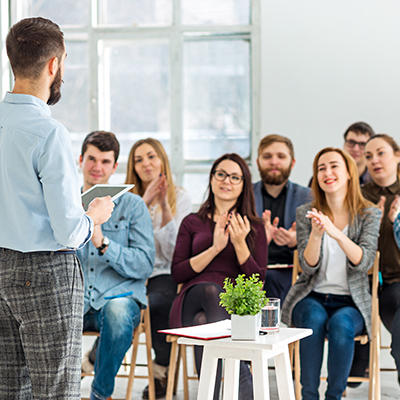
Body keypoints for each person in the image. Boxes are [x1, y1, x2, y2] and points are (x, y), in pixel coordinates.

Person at [0, 18, 114, 399]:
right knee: (56, 391)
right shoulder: (48, 133)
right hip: (46, 273)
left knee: (9, 389)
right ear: (54, 64)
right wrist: (94, 215)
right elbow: (68, 230)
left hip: (1, 269)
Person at [282, 147, 381, 400]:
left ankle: (334, 397)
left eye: (334, 166)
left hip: (351, 301)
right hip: (312, 295)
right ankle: (309, 396)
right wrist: (316, 234)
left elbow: (364, 262)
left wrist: (335, 232)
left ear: (349, 172)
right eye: (321, 168)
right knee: (313, 322)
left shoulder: (369, 214)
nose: (327, 172)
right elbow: (308, 267)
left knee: (341, 325)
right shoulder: (306, 213)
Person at [170, 153, 268, 400]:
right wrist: (214, 248)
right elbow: (177, 272)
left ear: (244, 184)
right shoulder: (192, 222)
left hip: (233, 308)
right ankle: (243, 374)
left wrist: (238, 243)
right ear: (212, 179)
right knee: (211, 292)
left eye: (235, 177)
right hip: (193, 296)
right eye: (221, 174)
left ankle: (209, 397)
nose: (227, 181)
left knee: (205, 322)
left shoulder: (253, 227)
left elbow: (258, 281)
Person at [78, 131, 155, 400]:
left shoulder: (133, 206)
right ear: (80, 160)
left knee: (118, 311)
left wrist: (104, 244)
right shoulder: (65, 203)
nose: (97, 167)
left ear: (114, 167)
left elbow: (145, 264)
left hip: (117, 297)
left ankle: (100, 395)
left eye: (105, 161)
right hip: (75, 300)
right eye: (91, 159)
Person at [125, 138, 192, 399]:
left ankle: (162, 370)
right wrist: (144, 203)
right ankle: (97, 357)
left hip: (163, 272)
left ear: (162, 159)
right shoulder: (127, 199)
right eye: (139, 159)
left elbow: (174, 251)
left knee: (160, 302)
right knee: (122, 306)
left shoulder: (181, 197)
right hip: (130, 271)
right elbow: (126, 242)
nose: (146, 164)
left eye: (151, 156)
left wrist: (163, 206)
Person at [253, 134, 310, 303]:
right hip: (251, 269)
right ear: (258, 162)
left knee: (271, 280)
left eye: (281, 156)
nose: (274, 162)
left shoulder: (308, 197)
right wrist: (259, 238)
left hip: (291, 271)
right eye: (267, 156)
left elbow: (320, 244)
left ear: (292, 163)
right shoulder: (245, 195)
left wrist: (296, 241)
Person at [362, 134, 400, 383]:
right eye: (368, 156)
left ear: (397, 156)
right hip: (374, 284)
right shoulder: (358, 195)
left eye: (381, 153)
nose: (374, 160)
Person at [308, 122, 375, 188]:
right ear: (344, 144)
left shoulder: (377, 180)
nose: (355, 149)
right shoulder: (323, 177)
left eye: (362, 144)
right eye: (351, 142)